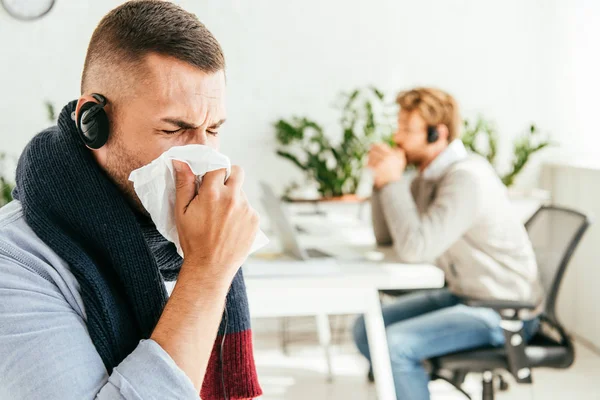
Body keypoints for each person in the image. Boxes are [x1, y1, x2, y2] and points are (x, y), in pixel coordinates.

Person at [0, 1, 263, 399]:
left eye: (213, 129)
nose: (202, 157)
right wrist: (206, 274)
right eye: (175, 128)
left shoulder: (190, 241)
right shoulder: (15, 267)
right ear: (94, 124)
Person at [353, 87, 544, 399]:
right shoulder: (427, 178)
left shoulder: (466, 178)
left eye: (406, 129)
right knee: (365, 329)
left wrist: (392, 182)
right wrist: (382, 184)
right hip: (465, 295)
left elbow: (416, 249)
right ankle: (412, 381)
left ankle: (409, 370)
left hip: (504, 311)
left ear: (436, 134)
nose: (397, 138)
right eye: (398, 127)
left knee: (394, 344)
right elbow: (389, 239)